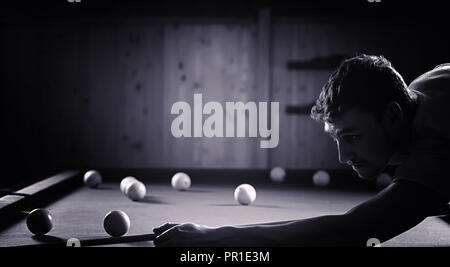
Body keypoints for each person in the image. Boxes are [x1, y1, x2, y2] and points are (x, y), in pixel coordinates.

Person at [153, 55, 450, 247]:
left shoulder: (437, 138)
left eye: (353, 136)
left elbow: (351, 232)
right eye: (337, 139)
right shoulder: (422, 88)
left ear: (394, 116)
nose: (344, 156)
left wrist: (214, 237)